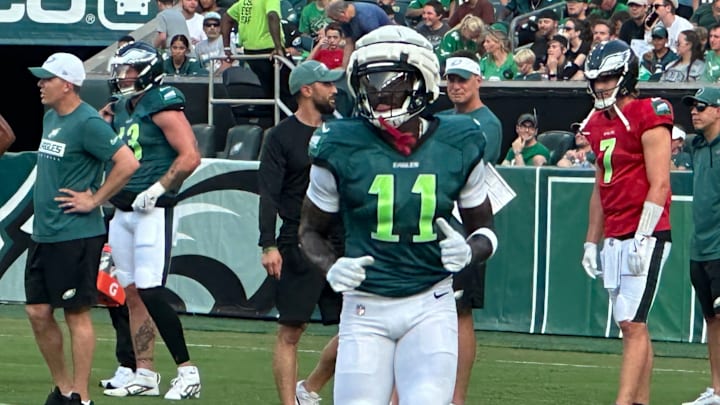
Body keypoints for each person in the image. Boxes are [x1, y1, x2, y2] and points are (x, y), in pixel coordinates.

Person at [298, 25, 496, 404]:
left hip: (430, 302)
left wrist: (471, 251)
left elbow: (485, 229)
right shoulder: (339, 142)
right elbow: (309, 231)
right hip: (364, 304)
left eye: (391, 81)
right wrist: (331, 267)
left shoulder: (459, 140)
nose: (378, 93)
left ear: (422, 80)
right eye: (369, 83)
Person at [26, 52, 139, 405]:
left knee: (76, 315)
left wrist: (95, 200)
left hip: (75, 235)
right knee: (37, 311)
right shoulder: (50, 118)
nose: (41, 84)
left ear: (67, 84)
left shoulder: (88, 123)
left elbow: (127, 162)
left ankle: (82, 397)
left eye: (47, 78)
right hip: (44, 232)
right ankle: (63, 390)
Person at [100, 41, 202, 400]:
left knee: (150, 289)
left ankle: (188, 370)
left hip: (151, 211)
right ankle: (145, 372)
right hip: (124, 210)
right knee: (131, 294)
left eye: (127, 70)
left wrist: (159, 188)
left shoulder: (161, 102)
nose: (121, 77)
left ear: (145, 71)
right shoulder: (125, 108)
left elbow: (190, 155)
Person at [580, 40, 673, 405]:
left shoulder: (649, 112)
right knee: (631, 324)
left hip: (644, 231)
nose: (600, 86)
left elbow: (661, 182)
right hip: (616, 232)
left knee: (632, 324)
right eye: (596, 79)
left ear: (625, 75)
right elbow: (600, 187)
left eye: (607, 78)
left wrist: (643, 235)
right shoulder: (599, 123)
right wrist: (591, 240)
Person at [257, 60, 344, 405]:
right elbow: (268, 194)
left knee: (356, 328)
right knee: (291, 329)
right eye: (326, 84)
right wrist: (268, 244)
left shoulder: (341, 131)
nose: (334, 89)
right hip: (298, 237)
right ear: (307, 90)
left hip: (342, 238)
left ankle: (309, 388)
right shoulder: (280, 137)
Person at [439, 51, 502, 405]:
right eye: (451, 79)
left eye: (462, 79)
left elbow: (467, 167)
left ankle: (456, 397)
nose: (456, 86)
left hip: (465, 226)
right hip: (438, 222)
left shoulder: (486, 122)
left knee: (461, 312)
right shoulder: (444, 118)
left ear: (478, 80)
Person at [680, 86, 720, 405]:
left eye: (701, 106)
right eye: (692, 107)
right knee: (711, 319)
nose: (694, 111)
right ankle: (718, 390)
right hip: (700, 247)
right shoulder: (695, 146)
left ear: (718, 110)